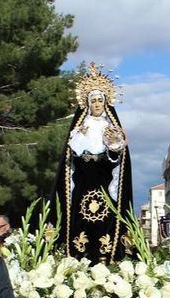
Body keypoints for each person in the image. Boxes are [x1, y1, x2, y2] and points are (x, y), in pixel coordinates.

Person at [49, 63, 133, 263]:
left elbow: (117, 164)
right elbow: (70, 162)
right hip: (83, 186)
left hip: (104, 186)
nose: (96, 104)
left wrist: (114, 149)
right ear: (87, 103)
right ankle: (78, 258)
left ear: (106, 103)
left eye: (100, 100)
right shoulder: (79, 129)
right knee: (80, 225)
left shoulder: (110, 128)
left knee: (106, 224)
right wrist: (79, 141)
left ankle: (106, 258)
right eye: (93, 100)